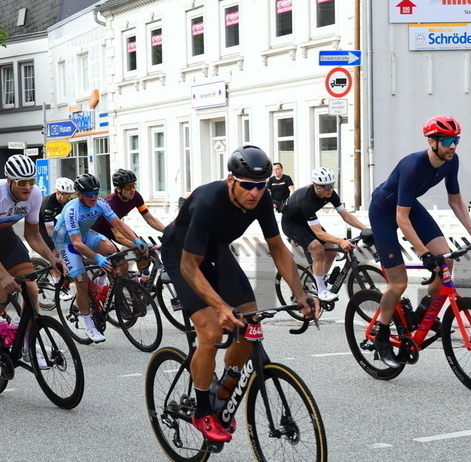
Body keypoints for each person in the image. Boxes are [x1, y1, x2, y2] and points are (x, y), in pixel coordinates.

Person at [160, 146, 315, 443]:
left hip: (216, 251)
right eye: (247, 185)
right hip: (182, 256)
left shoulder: (261, 198)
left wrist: (300, 294)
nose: (255, 193)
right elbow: (190, 267)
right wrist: (219, 307)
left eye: (261, 186)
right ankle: (202, 409)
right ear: (231, 180)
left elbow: (278, 247)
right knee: (211, 331)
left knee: (251, 321)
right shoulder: (208, 201)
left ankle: (228, 383)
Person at [367, 115, 471, 368]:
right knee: (398, 282)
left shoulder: (451, 161)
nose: (453, 146)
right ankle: (381, 336)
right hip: (384, 211)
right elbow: (401, 218)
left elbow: (455, 201)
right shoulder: (413, 165)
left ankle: (422, 311)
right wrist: (423, 253)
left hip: (410, 208)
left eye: (456, 140)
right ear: (432, 141)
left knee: (445, 262)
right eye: (446, 140)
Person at [0, 154, 63, 374]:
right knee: (0, 294)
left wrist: (52, 258)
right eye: (22, 183)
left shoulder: (34, 195)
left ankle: (27, 344)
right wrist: (4, 275)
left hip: (4, 234)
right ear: (10, 181)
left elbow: (33, 235)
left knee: (31, 289)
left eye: (31, 181)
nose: (28, 188)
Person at [52, 173, 148, 343]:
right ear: (79, 194)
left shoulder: (101, 203)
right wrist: (96, 258)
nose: (94, 197)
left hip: (86, 234)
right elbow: (77, 244)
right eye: (89, 194)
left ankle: (102, 285)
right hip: (67, 242)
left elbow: (118, 223)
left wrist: (136, 240)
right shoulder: (72, 211)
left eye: (96, 193)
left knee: (111, 249)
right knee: (81, 282)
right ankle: (89, 325)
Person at [279, 167, 369, 302]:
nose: (330, 189)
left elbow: (345, 216)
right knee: (318, 249)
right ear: (316, 186)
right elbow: (318, 232)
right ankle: (321, 290)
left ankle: (320, 277)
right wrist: (340, 241)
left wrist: (366, 229)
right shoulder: (307, 199)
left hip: (305, 222)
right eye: (326, 186)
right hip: (292, 224)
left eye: (332, 185)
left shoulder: (331, 194)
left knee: (331, 251)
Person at [90, 168, 165, 275]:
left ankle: (143, 283)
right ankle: (122, 287)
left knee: (143, 254)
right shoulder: (111, 203)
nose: (132, 189)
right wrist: (136, 246)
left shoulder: (136, 197)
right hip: (98, 231)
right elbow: (118, 236)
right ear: (118, 189)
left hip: (115, 226)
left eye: (134, 185)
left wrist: (167, 230)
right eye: (128, 187)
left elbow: (150, 219)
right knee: (122, 263)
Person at [38, 177, 77, 281]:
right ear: (58, 193)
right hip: (40, 225)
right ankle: (57, 285)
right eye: (67, 195)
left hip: (54, 220)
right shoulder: (48, 204)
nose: (69, 198)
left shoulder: (68, 200)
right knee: (55, 252)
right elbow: (50, 231)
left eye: (71, 194)